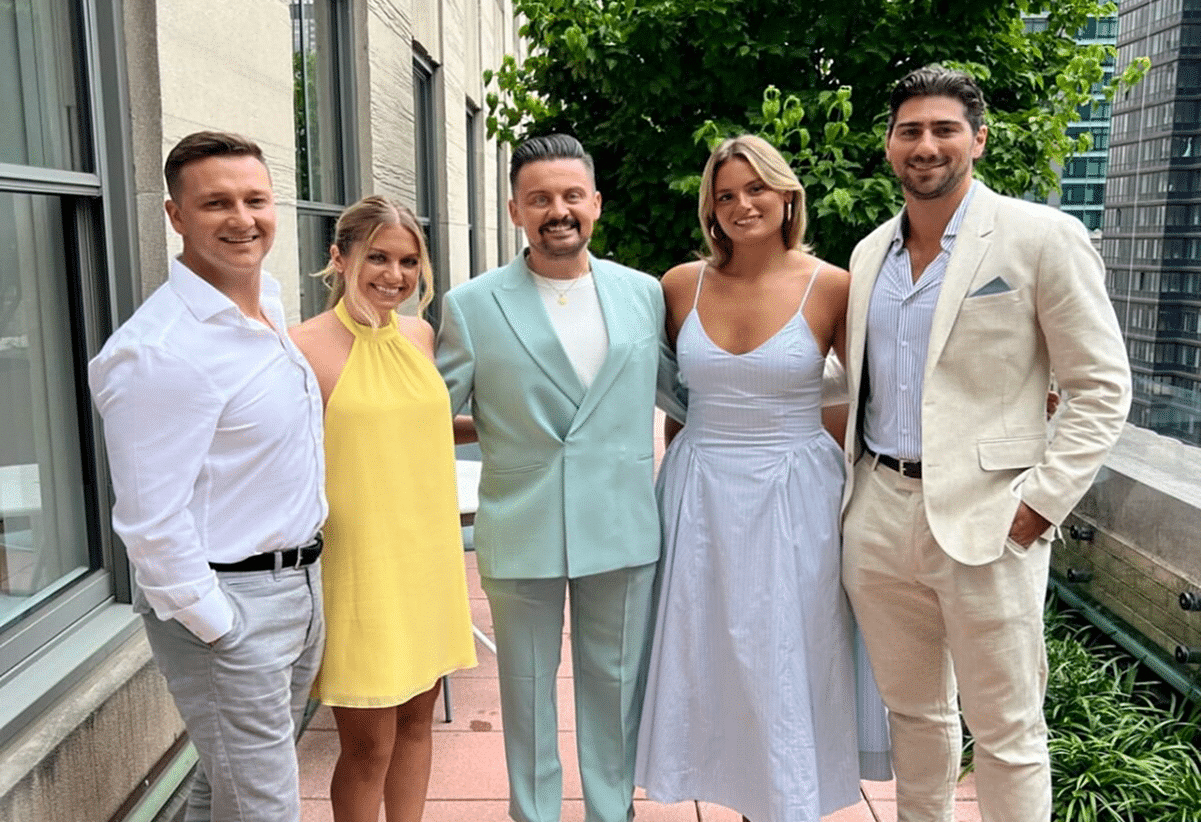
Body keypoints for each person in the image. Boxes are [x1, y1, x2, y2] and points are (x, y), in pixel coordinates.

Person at [840, 65, 1132, 822]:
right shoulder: (868, 254)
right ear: (888, 146)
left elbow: (1100, 388)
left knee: (1006, 729)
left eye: (943, 129)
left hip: (990, 519)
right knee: (914, 717)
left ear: (977, 138)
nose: (925, 145)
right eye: (910, 130)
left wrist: (1036, 507)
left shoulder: (1041, 237)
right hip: (878, 513)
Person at [634, 134, 891, 822]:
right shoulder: (678, 285)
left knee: (786, 653)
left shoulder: (833, 285)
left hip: (794, 494)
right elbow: (673, 402)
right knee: (709, 654)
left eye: (754, 189)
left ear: (786, 196)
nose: (741, 204)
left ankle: (783, 804)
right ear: (708, 210)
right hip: (698, 493)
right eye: (724, 195)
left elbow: (877, 389)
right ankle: (731, 793)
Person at [436, 133, 683, 822]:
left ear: (595, 204)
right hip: (522, 525)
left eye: (571, 195)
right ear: (515, 209)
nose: (557, 210)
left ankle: (612, 811)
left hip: (623, 525)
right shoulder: (472, 305)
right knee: (525, 688)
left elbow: (685, 394)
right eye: (539, 198)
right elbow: (431, 411)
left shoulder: (643, 294)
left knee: (616, 684)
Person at [89, 131, 326, 822]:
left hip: (296, 589)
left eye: (255, 199)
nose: (242, 218)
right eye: (216, 202)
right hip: (230, 606)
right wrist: (219, 627)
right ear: (175, 217)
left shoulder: (265, 307)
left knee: (222, 788)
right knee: (265, 809)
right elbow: (148, 521)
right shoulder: (159, 350)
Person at [289, 196, 477, 822]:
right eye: (377, 258)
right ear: (339, 258)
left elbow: (422, 426)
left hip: (426, 557)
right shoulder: (301, 348)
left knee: (420, 727)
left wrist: (510, 426)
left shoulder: (420, 334)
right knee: (367, 746)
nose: (393, 275)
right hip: (361, 567)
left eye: (407, 261)